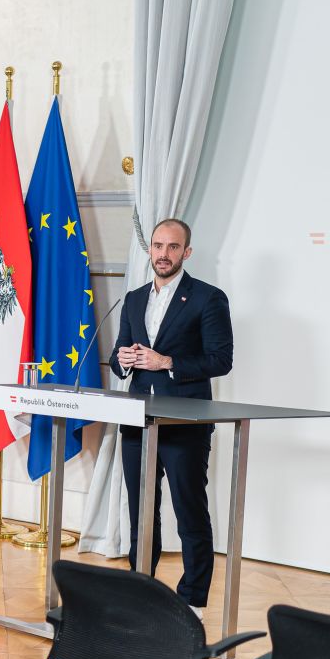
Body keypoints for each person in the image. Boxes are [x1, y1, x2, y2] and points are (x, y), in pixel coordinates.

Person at [110, 218, 233, 616]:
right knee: (141, 513)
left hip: (184, 425)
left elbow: (220, 360)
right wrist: (123, 360)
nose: (163, 254)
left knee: (189, 510)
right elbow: (116, 358)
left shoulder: (208, 298)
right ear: (150, 250)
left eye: (173, 247)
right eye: (158, 246)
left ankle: (193, 601)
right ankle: (141, 591)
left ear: (186, 253)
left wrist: (168, 362)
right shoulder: (132, 298)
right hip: (136, 422)